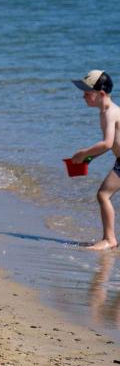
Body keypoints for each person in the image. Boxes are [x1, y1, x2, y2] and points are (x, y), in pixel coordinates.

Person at [68, 69, 120, 251]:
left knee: (103, 195)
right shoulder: (105, 112)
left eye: (87, 93)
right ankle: (109, 238)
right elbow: (112, 144)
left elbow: (107, 144)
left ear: (102, 94)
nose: (83, 97)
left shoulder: (109, 113)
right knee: (104, 195)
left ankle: (109, 239)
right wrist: (89, 158)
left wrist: (83, 153)